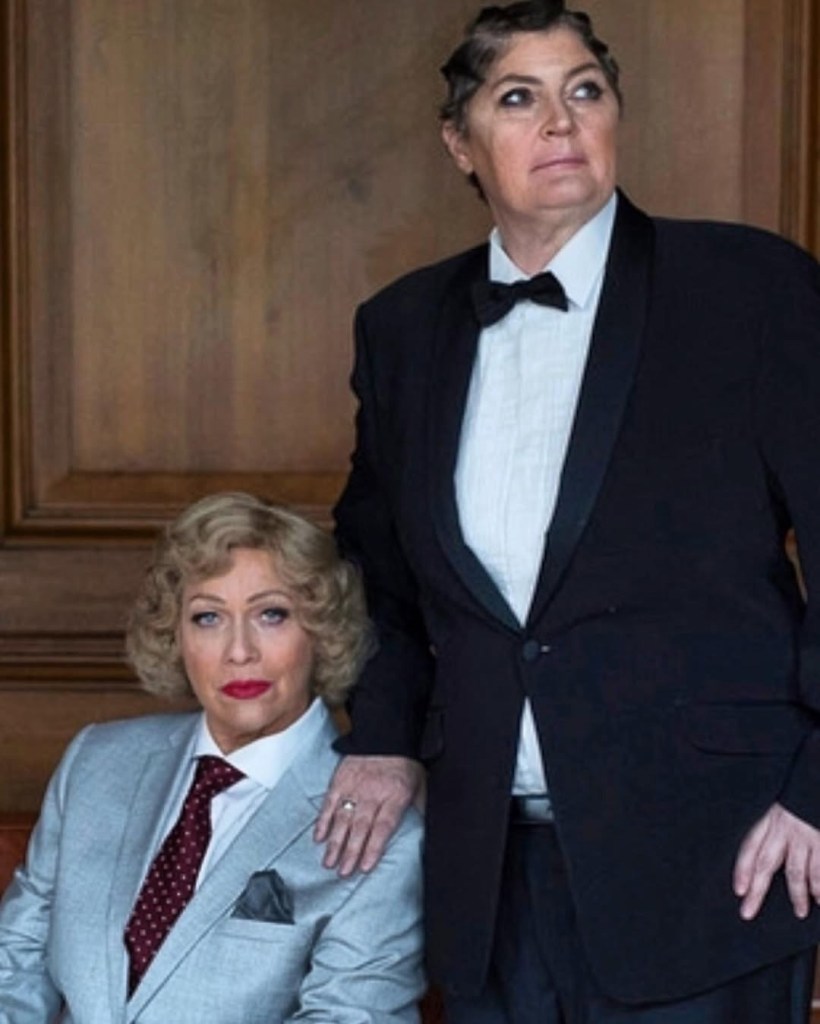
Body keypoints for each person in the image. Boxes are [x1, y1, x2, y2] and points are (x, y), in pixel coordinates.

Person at [315, 1, 820, 1021]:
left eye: (583, 90)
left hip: (717, 864)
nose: (560, 122)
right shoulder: (403, 327)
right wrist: (382, 737)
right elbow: (380, 576)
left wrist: (818, 793)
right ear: (459, 143)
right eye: (518, 98)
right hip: (485, 874)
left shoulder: (750, 288)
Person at [0, 492, 424, 1023]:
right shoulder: (96, 762)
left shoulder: (379, 830)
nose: (239, 650)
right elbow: (15, 962)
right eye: (208, 617)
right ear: (174, 634)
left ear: (321, 631)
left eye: (271, 614)